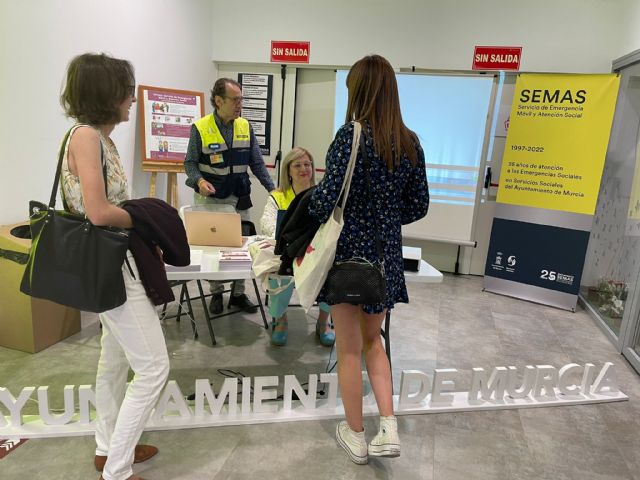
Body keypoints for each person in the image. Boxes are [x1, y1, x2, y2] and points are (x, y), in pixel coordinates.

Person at [308, 54, 430, 464]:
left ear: (358, 91)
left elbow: (325, 200)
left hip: (349, 259)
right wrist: (385, 217)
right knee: (374, 342)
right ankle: (389, 428)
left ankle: (356, 436)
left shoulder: (350, 136)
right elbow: (419, 205)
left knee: (347, 349)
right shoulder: (410, 140)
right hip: (386, 259)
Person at [60, 53, 170, 480]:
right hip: (113, 267)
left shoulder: (97, 138)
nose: (133, 98)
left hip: (113, 263)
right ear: (107, 94)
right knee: (154, 367)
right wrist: (146, 217)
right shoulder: (86, 137)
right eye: (127, 90)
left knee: (114, 361)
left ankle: (108, 448)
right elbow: (99, 212)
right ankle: (117, 471)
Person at [184, 78, 275, 315]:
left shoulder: (245, 126)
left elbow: (256, 163)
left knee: (240, 246)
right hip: (210, 199)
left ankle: (238, 293)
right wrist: (199, 181)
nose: (239, 104)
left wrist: (273, 190)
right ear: (218, 100)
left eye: (241, 99)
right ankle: (216, 292)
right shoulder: (200, 128)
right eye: (235, 99)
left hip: (239, 197)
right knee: (213, 248)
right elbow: (190, 164)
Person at [259, 147, 334, 347]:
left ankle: (323, 322)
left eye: (307, 164)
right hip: (288, 250)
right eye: (297, 165)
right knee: (276, 271)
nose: (303, 169)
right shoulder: (278, 196)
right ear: (288, 171)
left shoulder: (323, 195)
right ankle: (281, 320)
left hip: (316, 251)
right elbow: (267, 223)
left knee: (333, 269)